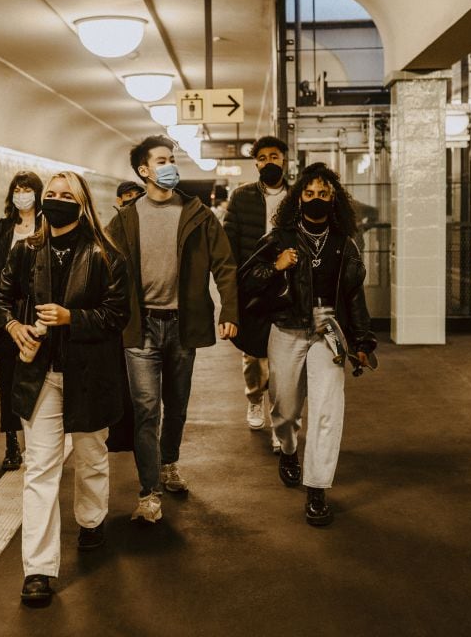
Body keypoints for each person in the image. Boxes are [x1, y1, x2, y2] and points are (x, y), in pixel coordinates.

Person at [0, 171, 129, 605]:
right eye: (51, 193)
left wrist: (73, 318)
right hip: (41, 374)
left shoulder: (107, 255)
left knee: (90, 455)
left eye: (66, 194)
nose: (56, 199)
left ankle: (91, 519)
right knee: (41, 468)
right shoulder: (27, 251)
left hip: (89, 374)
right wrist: (13, 326)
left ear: (83, 203)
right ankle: (39, 569)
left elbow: (117, 315)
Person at [106, 135, 239, 524]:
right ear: (144, 170)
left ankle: (169, 463)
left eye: (172, 159)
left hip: (182, 325)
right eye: (162, 160)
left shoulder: (196, 214)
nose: (170, 166)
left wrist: (229, 309)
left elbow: (225, 265)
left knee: (176, 405)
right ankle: (149, 491)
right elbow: (105, 269)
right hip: (141, 327)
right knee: (147, 410)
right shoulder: (126, 219)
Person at [240, 162, 376, 526]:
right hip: (286, 329)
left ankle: (317, 487)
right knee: (285, 410)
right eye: (310, 194)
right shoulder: (278, 238)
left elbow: (353, 295)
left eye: (324, 195)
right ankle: (288, 448)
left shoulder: (344, 243)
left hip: (328, 334)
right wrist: (277, 266)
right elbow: (247, 280)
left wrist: (363, 340)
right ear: (298, 198)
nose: (316, 200)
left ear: (335, 201)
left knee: (328, 410)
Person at [223, 136, 289, 446]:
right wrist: (233, 283)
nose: (268, 162)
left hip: (285, 282)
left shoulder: (296, 197)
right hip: (251, 282)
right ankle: (254, 398)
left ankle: (280, 419)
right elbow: (229, 241)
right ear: (256, 163)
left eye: (274, 156)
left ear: (284, 160)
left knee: (283, 355)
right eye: (262, 158)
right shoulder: (241, 197)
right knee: (252, 351)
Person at [0, 170, 44, 471]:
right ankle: (12, 444)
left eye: (27, 189)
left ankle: (39, 440)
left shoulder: (47, 224)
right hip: (7, 311)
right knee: (8, 380)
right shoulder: (3, 228)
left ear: (37, 193)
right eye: (17, 190)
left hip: (38, 310)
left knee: (38, 376)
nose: (22, 195)